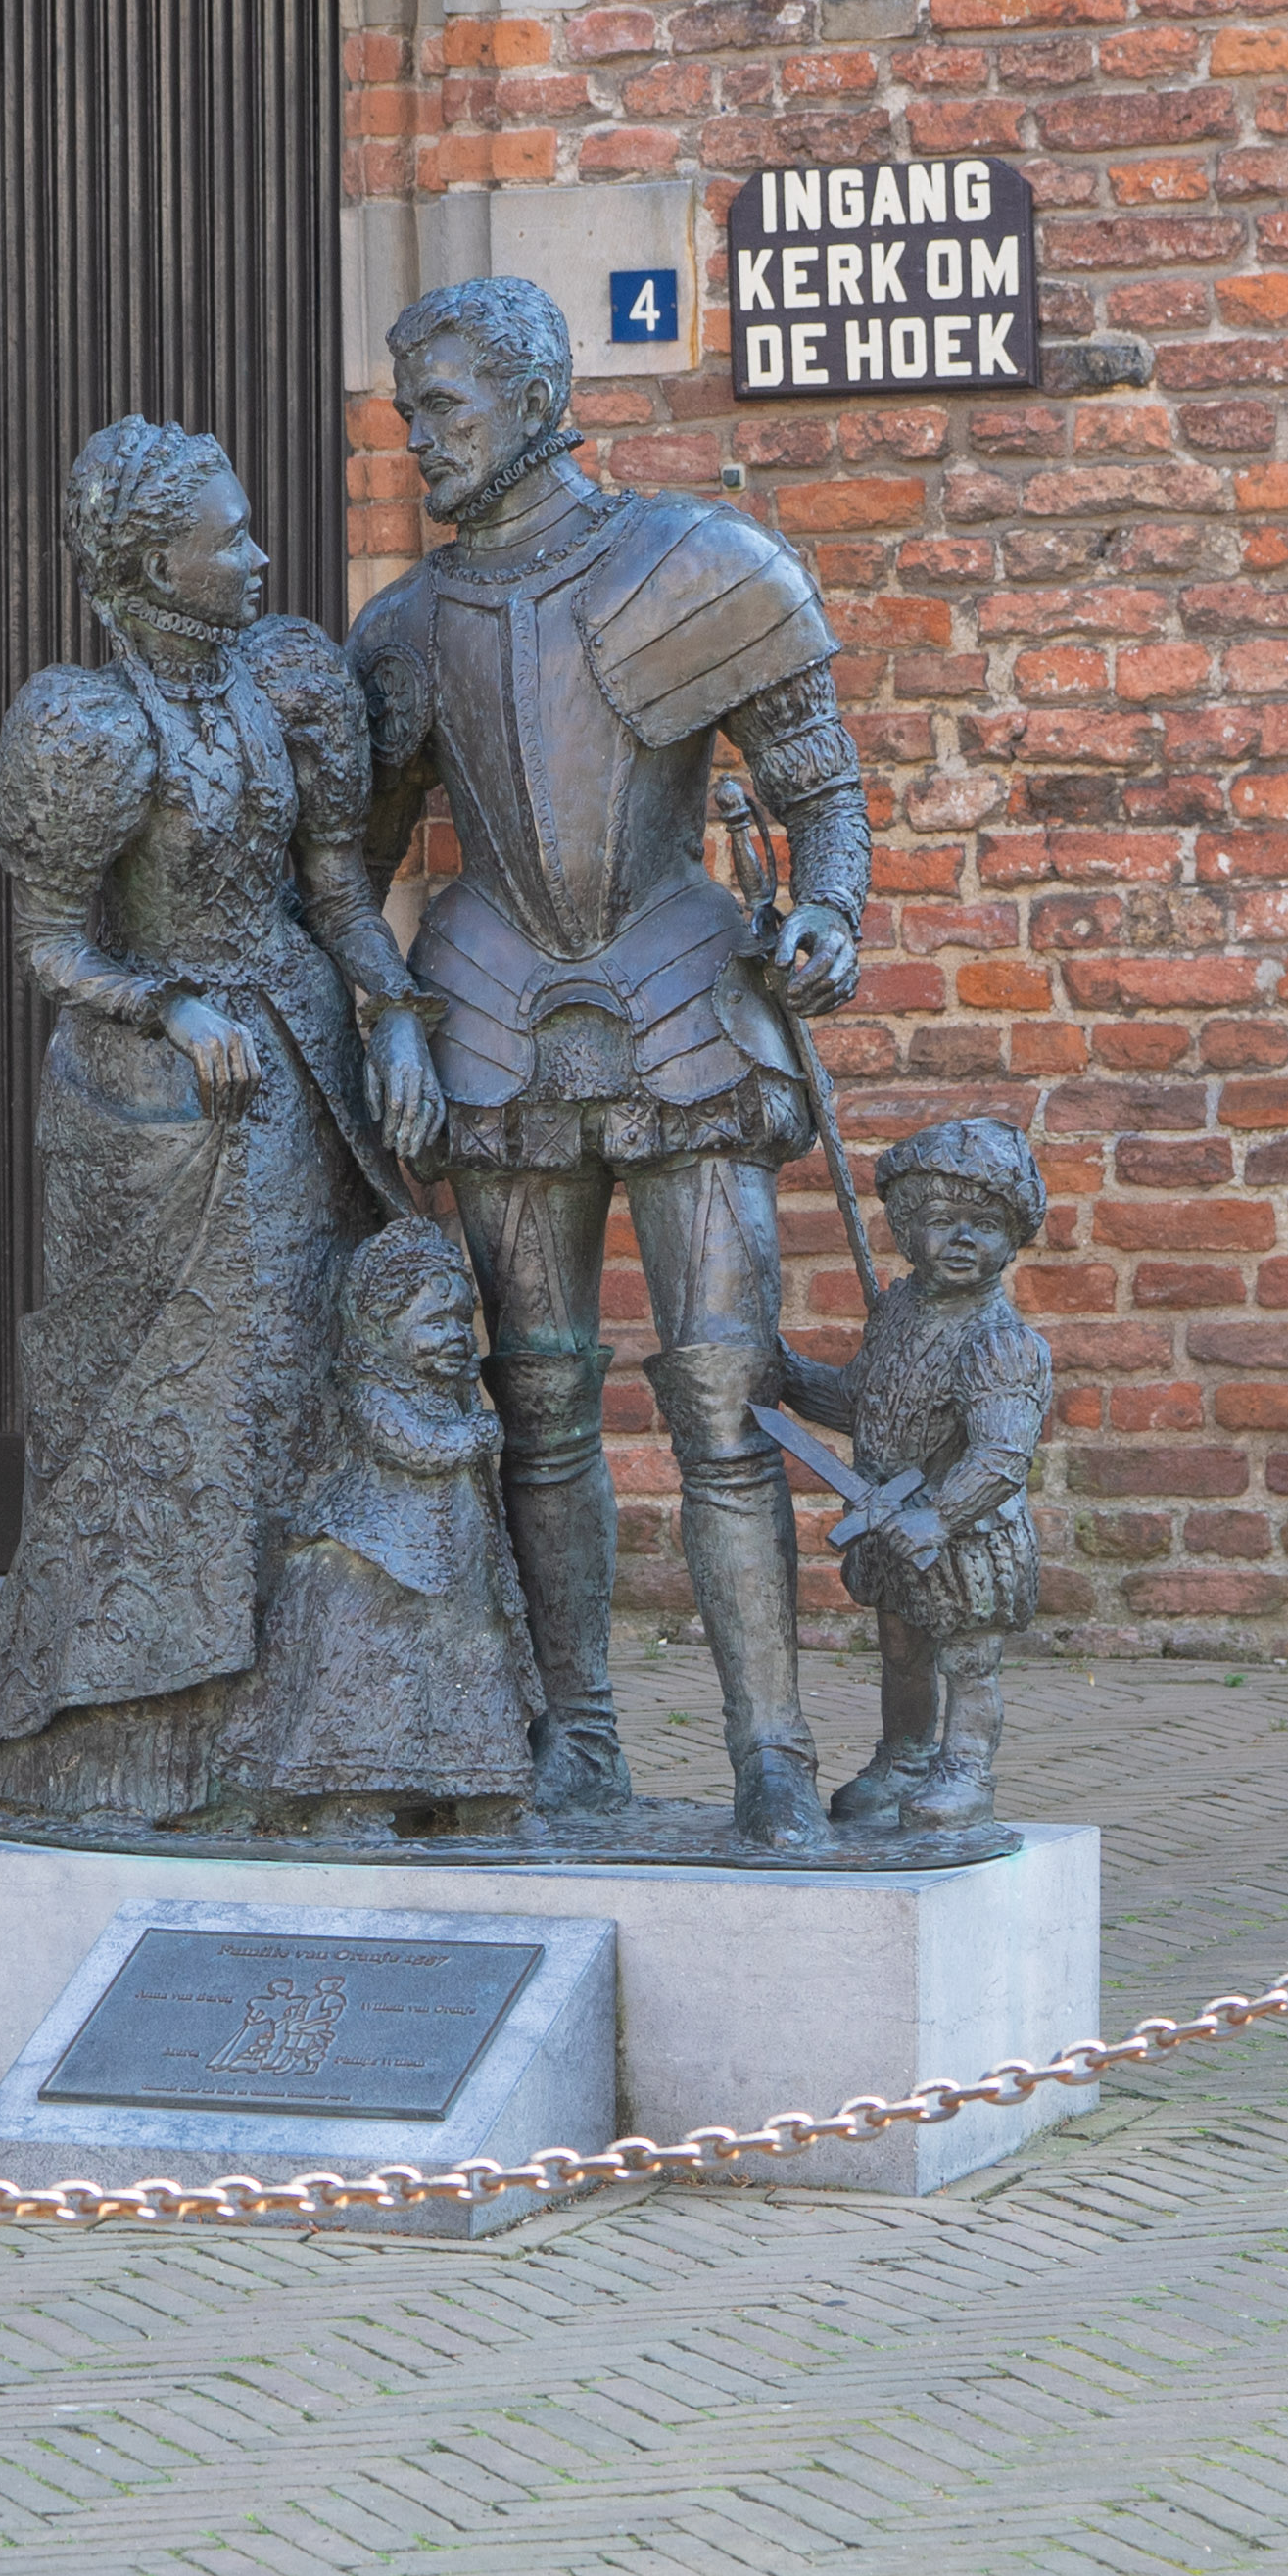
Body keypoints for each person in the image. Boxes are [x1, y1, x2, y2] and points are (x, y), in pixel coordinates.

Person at [351, 276, 872, 1849]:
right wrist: (383, 1008)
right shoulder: (405, 628)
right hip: (491, 1002)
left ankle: (769, 1750)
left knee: (725, 1387)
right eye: (407, 410)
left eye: (442, 407)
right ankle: (571, 1736)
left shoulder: (692, 562)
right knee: (537, 1395)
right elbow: (350, 863)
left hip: (679, 986)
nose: (417, 437)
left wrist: (827, 912)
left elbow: (816, 783)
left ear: (532, 399)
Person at [0, 417, 425, 1821]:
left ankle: (309, 1723)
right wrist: (168, 1006)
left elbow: (336, 888)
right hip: (152, 1103)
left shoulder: (286, 676)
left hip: (296, 1067)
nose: (261, 555)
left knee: (296, 1376)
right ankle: (139, 1737)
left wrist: (395, 1010)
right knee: (168, 1400)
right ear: (152, 563)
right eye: (229, 538)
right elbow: (49, 944)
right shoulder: (85, 723)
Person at [776, 1119, 1054, 1834]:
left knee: (968, 1656)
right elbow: (858, 1403)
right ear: (904, 1228)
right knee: (901, 1648)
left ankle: (965, 1770)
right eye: (940, 1221)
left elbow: (1000, 1455)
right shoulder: (897, 1314)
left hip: (964, 1534)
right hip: (890, 1524)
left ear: (1012, 1239)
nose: (962, 1239)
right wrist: (788, 1374)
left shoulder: (1001, 1343)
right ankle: (904, 1757)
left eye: (985, 1225)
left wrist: (940, 1515)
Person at [227, 1220, 545, 1834]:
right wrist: (477, 1435)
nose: (457, 1336)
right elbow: (414, 1446)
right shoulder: (372, 1392)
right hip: (382, 1555)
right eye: (435, 1322)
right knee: (374, 1670)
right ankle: (353, 1797)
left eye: (462, 1321)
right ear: (379, 1327)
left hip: (458, 1566)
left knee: (470, 1663)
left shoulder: (451, 1391)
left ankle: (484, 1793)